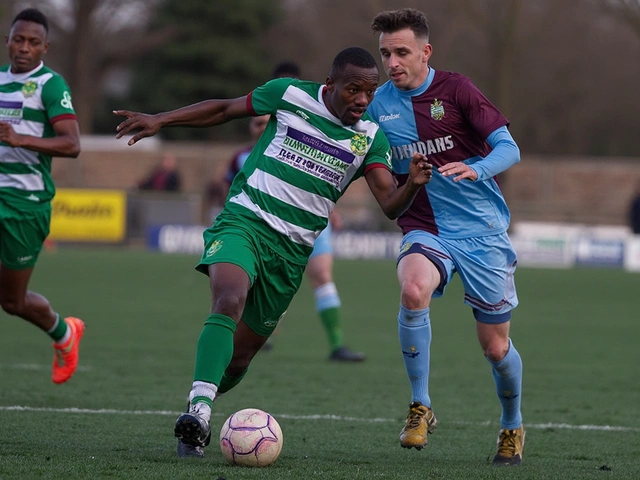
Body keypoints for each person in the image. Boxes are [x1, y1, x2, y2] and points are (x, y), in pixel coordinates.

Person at [114, 46, 433, 458]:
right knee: (229, 298)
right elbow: (225, 110)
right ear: (330, 83)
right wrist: (163, 119)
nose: (361, 100)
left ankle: (202, 398)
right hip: (245, 222)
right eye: (353, 89)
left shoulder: (370, 136)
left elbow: (390, 203)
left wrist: (413, 185)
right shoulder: (289, 94)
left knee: (239, 360)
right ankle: (198, 414)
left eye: (370, 93)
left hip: (292, 253)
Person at [368, 8, 525, 466]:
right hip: (425, 228)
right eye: (385, 54)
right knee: (413, 289)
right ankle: (421, 406)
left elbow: (509, 148)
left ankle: (511, 424)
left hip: (481, 232)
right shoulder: (378, 105)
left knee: (495, 348)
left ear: (425, 52)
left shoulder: (456, 89)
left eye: (401, 52)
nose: (392, 62)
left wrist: (475, 169)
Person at [0, 8, 84, 384]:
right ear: (8, 41)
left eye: (33, 42)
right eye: (18, 39)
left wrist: (22, 139)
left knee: (12, 302)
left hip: (25, 206)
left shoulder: (51, 85)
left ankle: (63, 333)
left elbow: (72, 144)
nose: (24, 48)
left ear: (44, 48)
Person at [269, 61, 365, 361]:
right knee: (268, 281)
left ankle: (337, 344)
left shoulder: (326, 115)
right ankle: (260, 338)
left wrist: (330, 208)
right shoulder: (271, 115)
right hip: (271, 214)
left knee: (322, 274)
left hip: (313, 219)